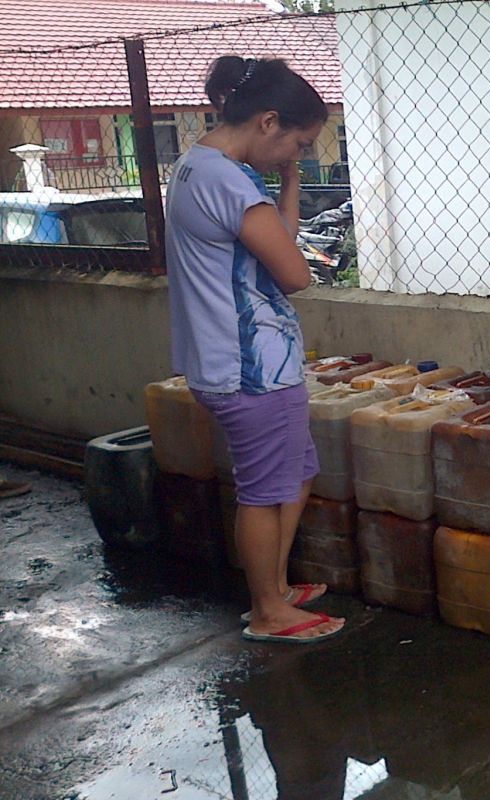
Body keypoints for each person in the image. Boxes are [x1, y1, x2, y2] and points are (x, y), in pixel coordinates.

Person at [166, 56, 343, 644]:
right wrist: (279, 189)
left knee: (295, 473)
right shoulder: (228, 181)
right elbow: (295, 273)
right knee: (266, 490)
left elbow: (273, 248)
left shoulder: (198, 165)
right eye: (298, 142)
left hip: (234, 360)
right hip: (249, 368)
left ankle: (276, 587)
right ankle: (269, 608)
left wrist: (288, 184)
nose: (298, 154)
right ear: (268, 121)